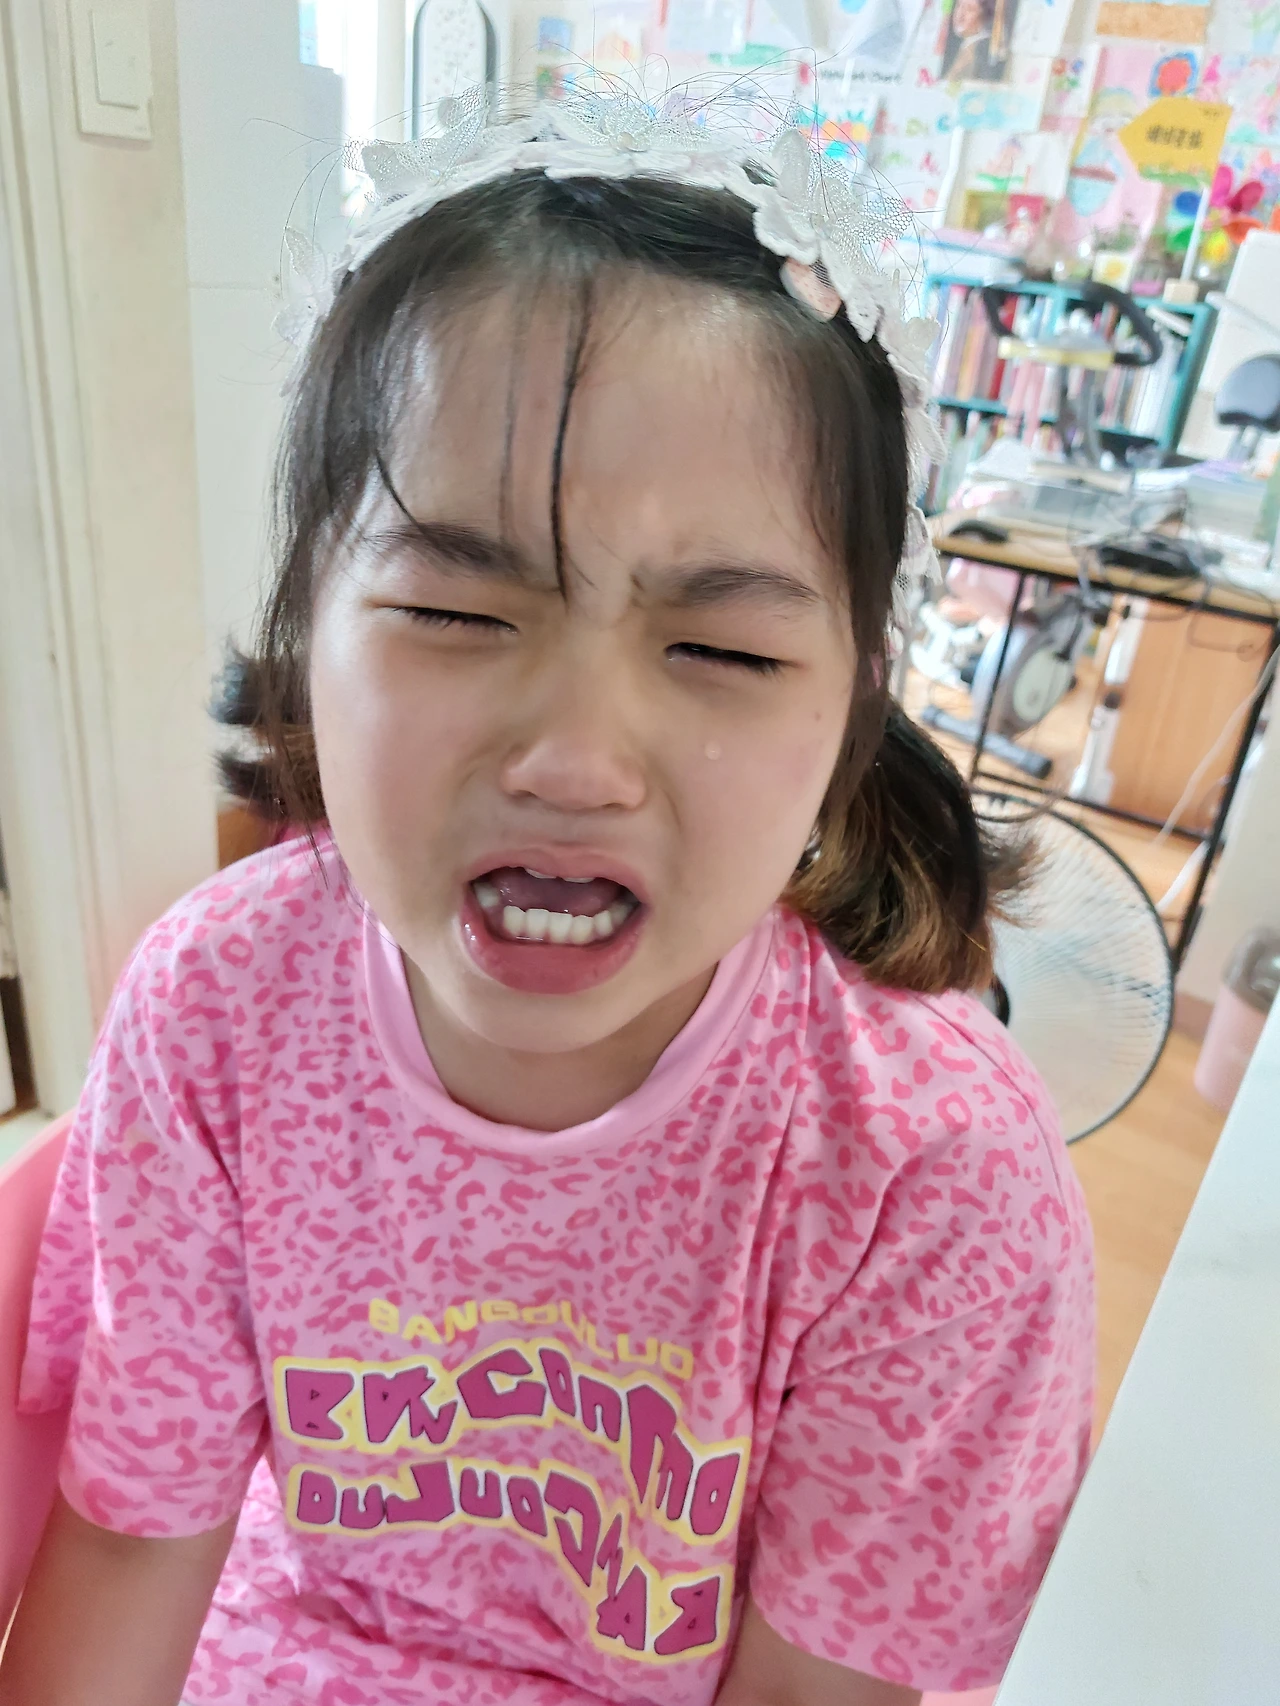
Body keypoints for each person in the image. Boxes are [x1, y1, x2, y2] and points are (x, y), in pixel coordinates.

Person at [2, 90, 1093, 1706]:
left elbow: (814, 1689)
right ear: (310, 620)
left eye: (719, 648)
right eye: (456, 611)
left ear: (855, 706)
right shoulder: (215, 1005)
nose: (575, 760)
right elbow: (132, 1549)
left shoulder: (932, 1172)